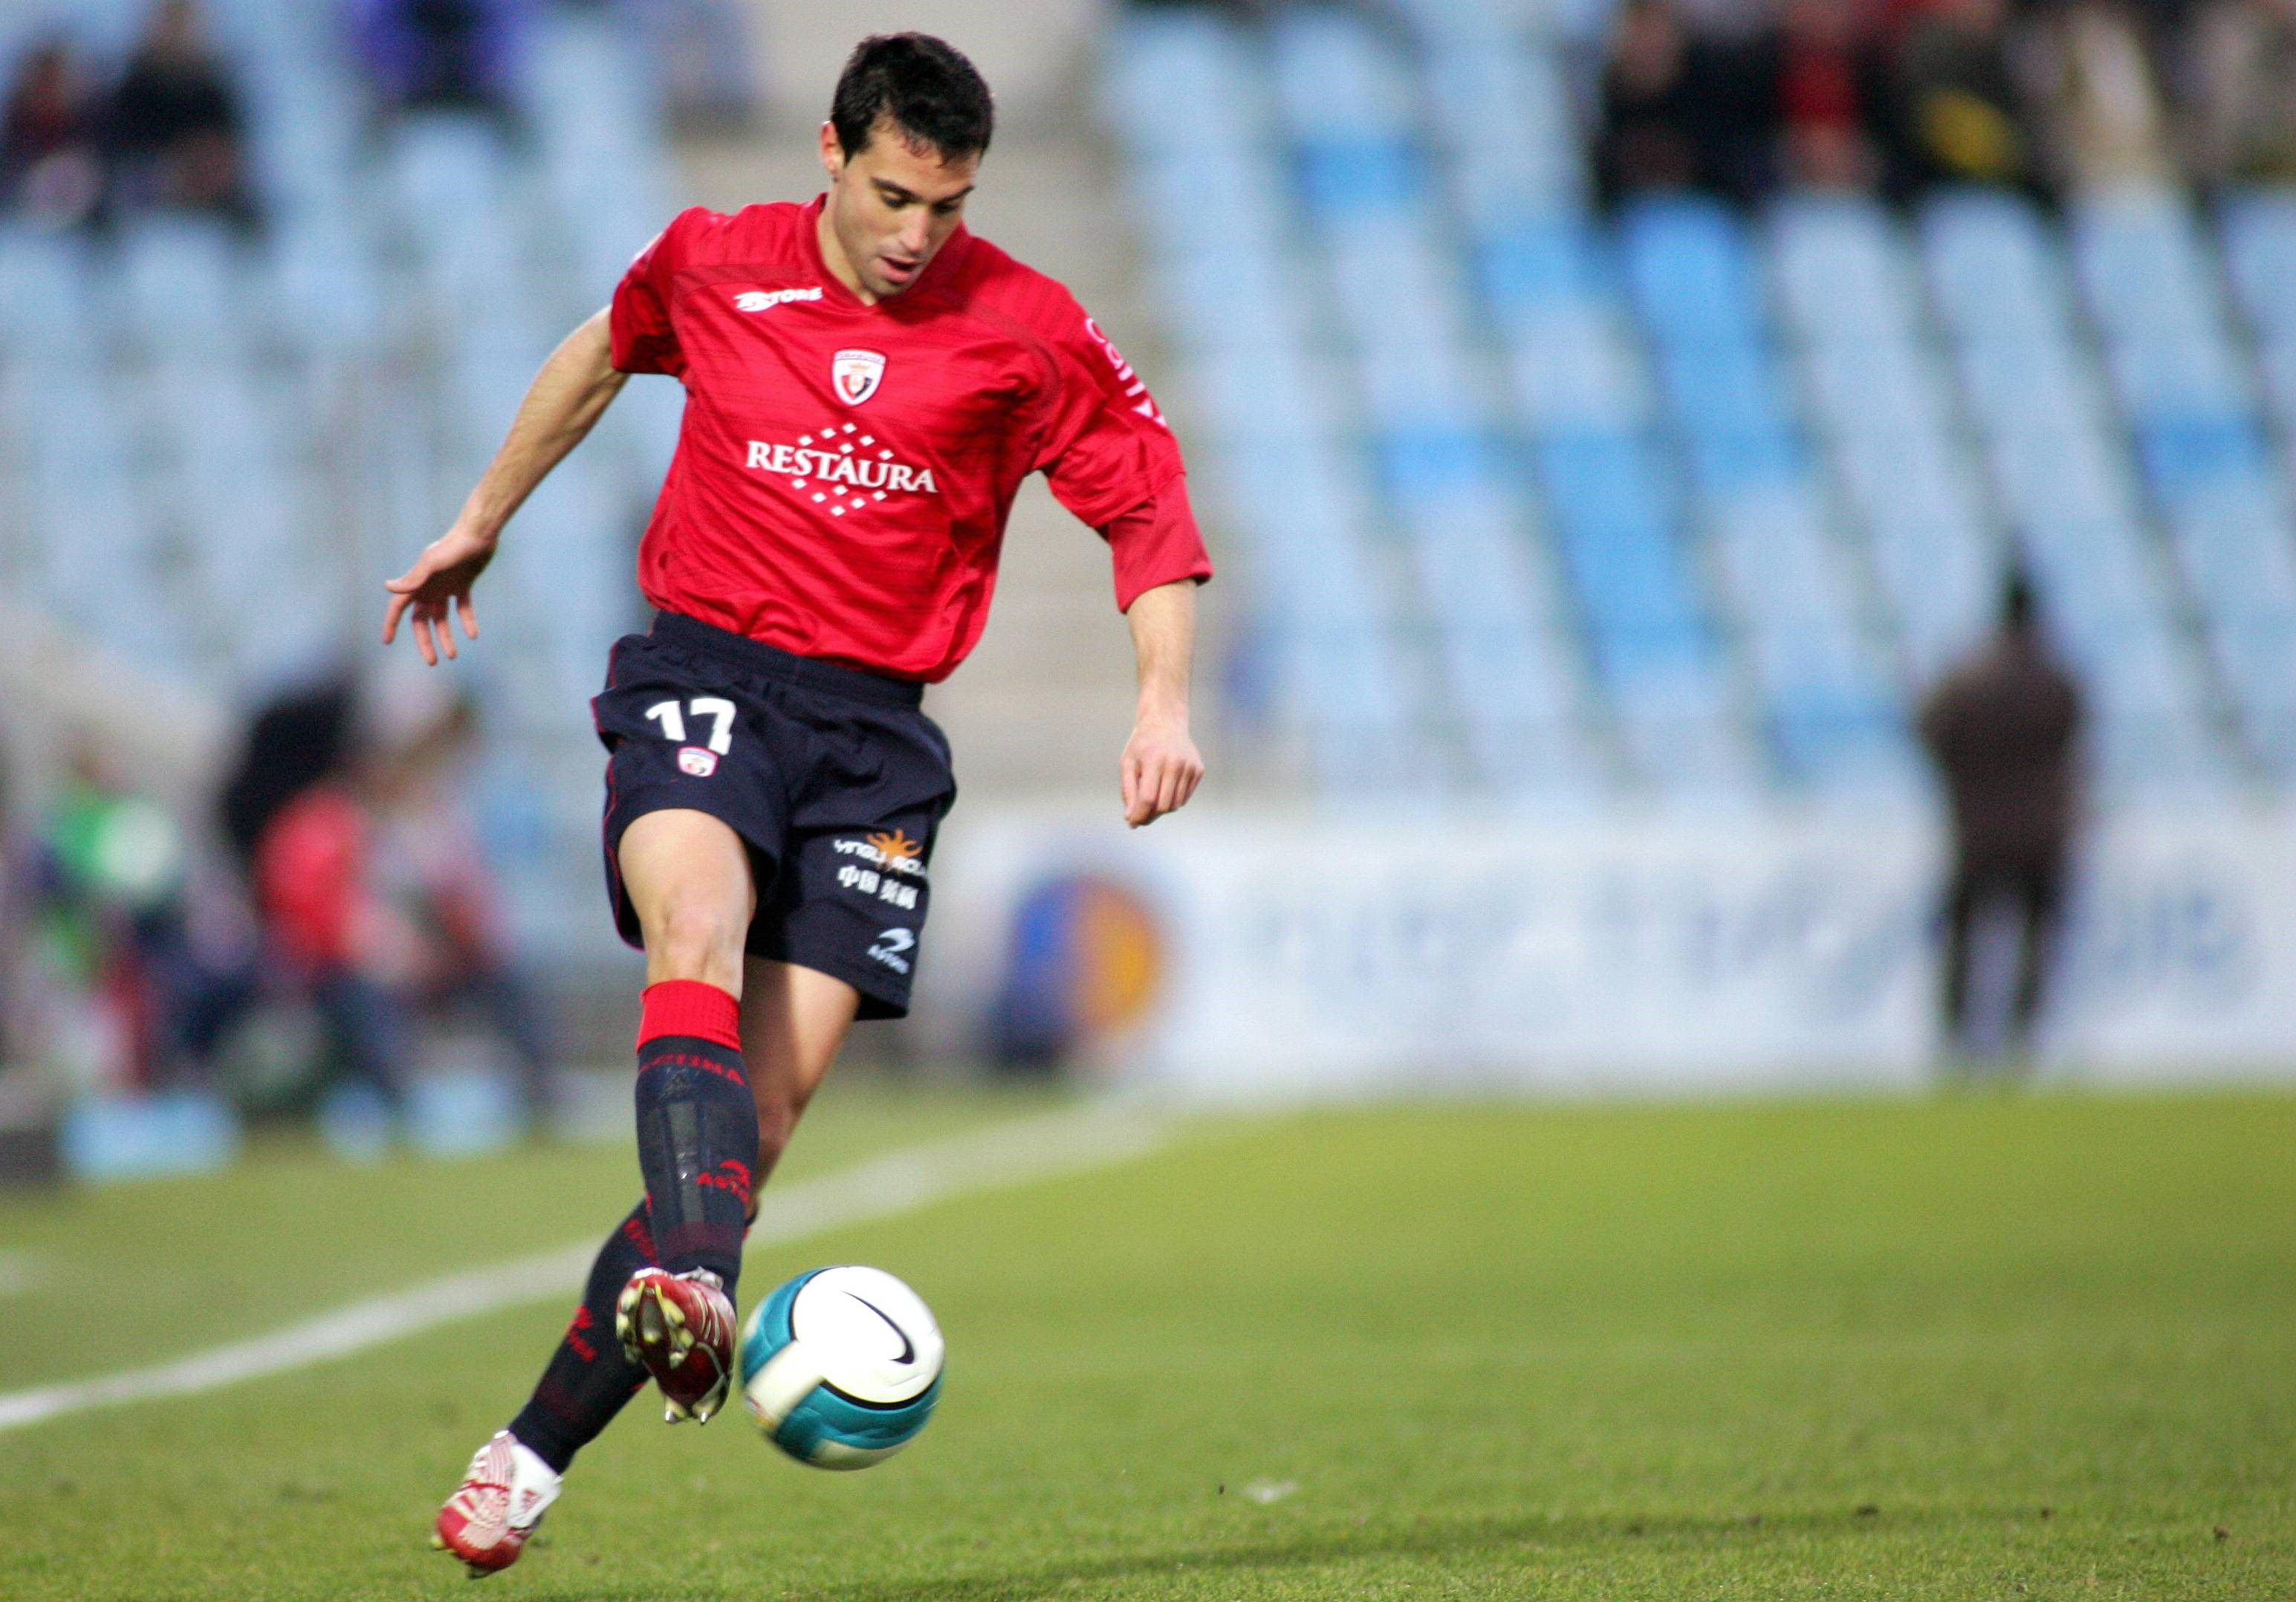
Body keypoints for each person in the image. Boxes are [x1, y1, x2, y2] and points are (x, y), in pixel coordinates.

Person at [390, 33, 1211, 1573]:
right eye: (895, 194)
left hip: (876, 743)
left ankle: (529, 1449)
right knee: (694, 925)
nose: (917, 235)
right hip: (708, 671)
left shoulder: (1027, 328)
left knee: (745, 1140)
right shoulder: (713, 261)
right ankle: (702, 1290)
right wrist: (478, 521)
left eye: (948, 208)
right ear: (832, 152)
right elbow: (592, 351)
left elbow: (1148, 505)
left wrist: (1161, 695)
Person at [1917, 574, 2084, 1072]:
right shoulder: (2056, 681)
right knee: (2036, 937)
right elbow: (2075, 749)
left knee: (1964, 936)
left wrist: (1962, 782)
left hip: (1977, 831)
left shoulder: (1968, 679)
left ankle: (1956, 1038)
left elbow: (1930, 731)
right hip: (2042, 833)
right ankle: (2021, 1039)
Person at [104, 0, 256, 224]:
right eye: (170, 25)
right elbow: (118, 158)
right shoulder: (131, 92)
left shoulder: (215, 93)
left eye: (184, 26)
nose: (177, 35)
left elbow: (233, 156)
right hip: (144, 213)